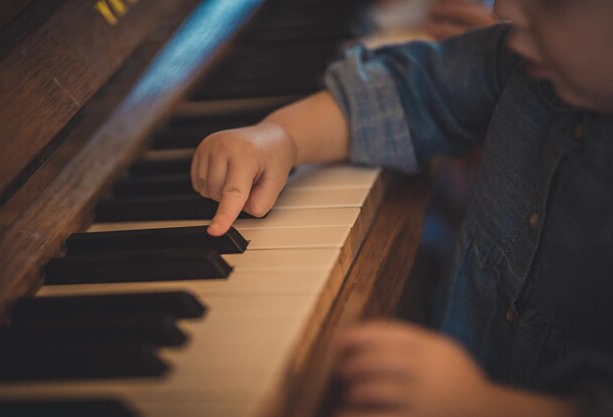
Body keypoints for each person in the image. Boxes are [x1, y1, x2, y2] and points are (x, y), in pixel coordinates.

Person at [190, 0, 613, 415]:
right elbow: (412, 88)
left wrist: (482, 404)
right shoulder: (520, 62)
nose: (505, 8)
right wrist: (283, 137)